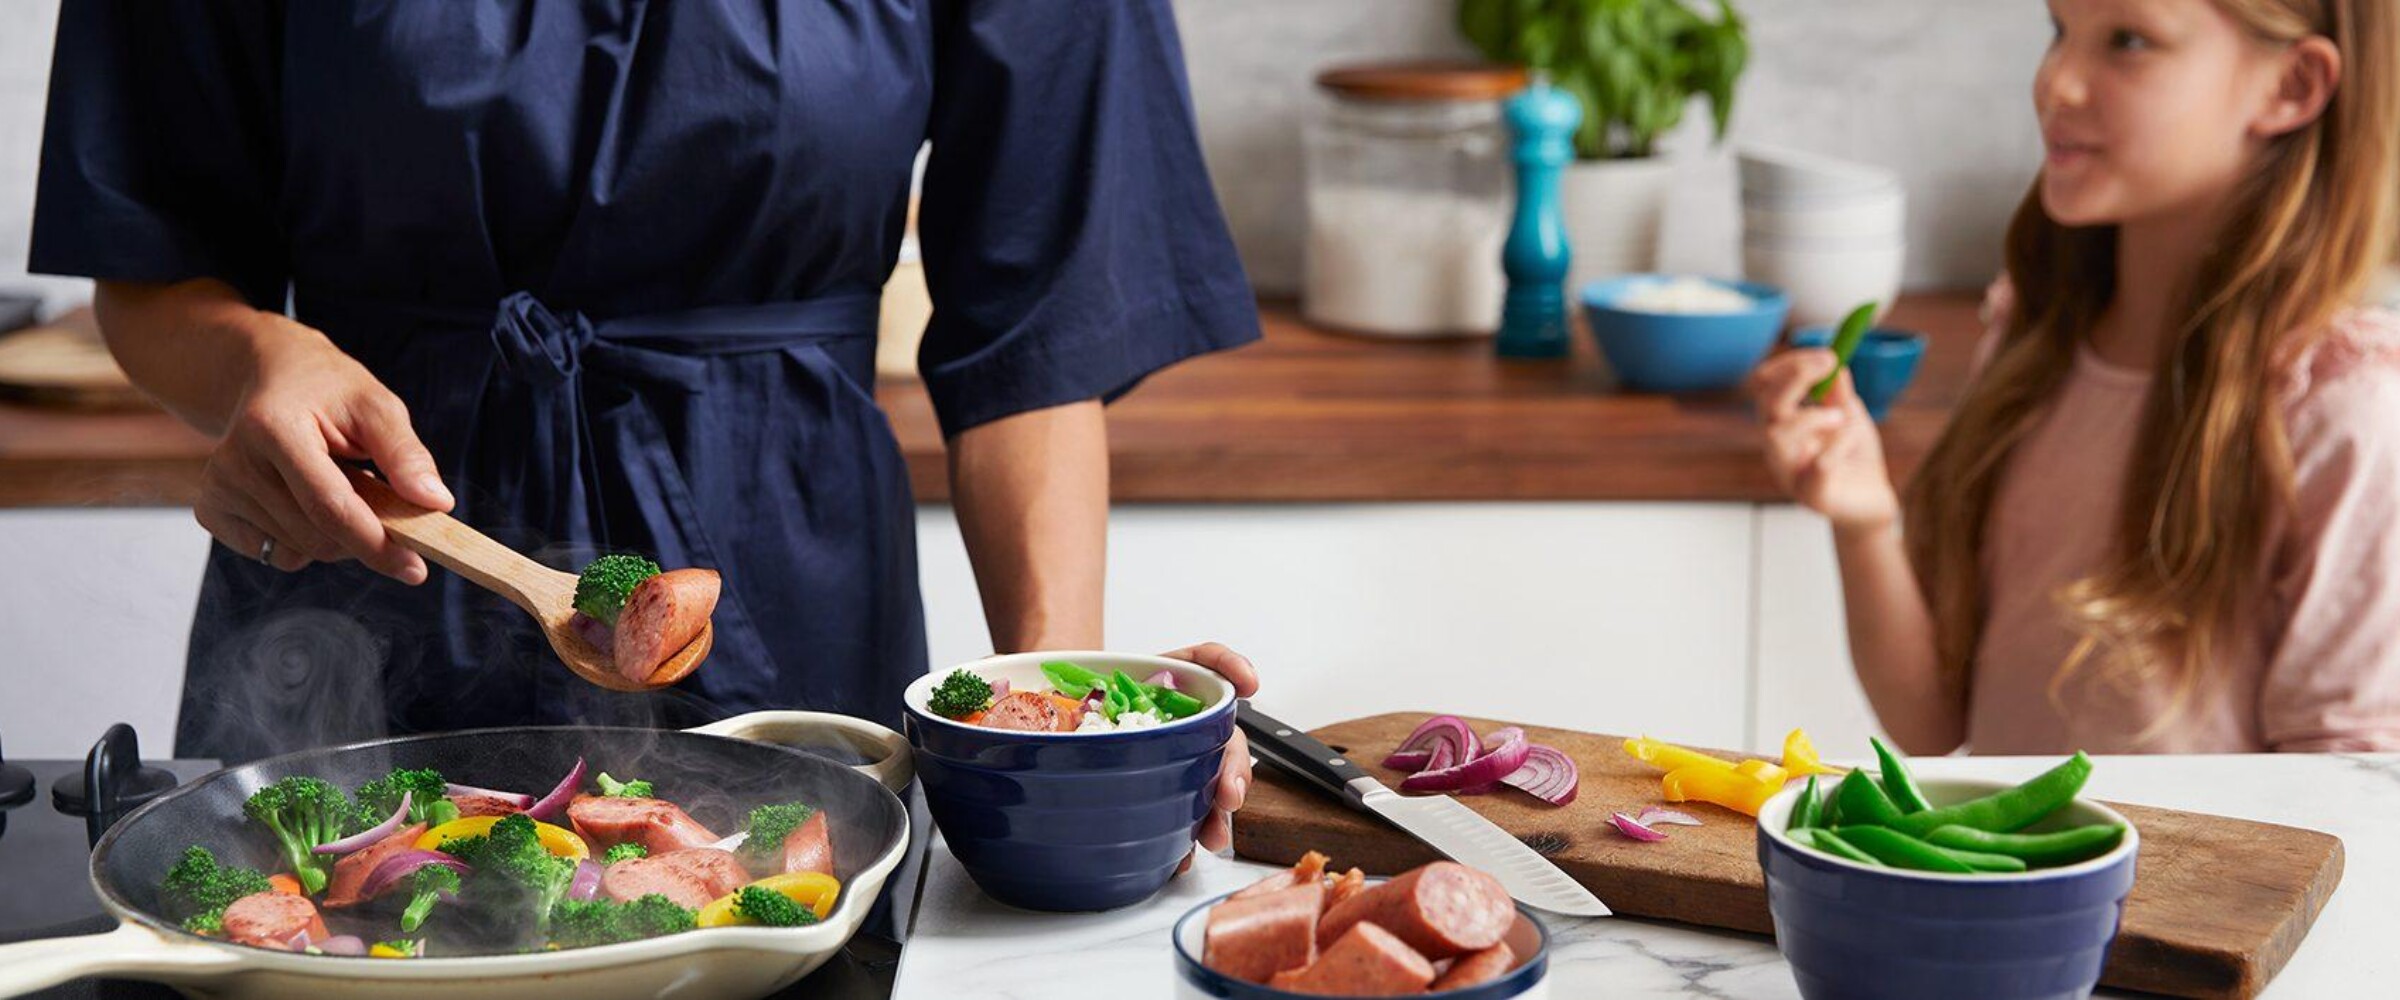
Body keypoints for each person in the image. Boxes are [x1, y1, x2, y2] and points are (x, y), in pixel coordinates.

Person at [30, 1, 1262, 844]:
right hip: (363, 556)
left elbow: (1039, 325)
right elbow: (152, 264)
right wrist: (264, 360)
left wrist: (1050, 731)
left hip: (791, 585)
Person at [1750, 0, 2400, 753]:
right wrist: (1863, 521)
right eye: (2059, 31)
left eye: (2128, 41)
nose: (2055, 83)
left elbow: (2347, 804)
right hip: (1995, 875)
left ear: (2290, 87)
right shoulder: (2034, 341)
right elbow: (1930, 726)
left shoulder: (2345, 408)